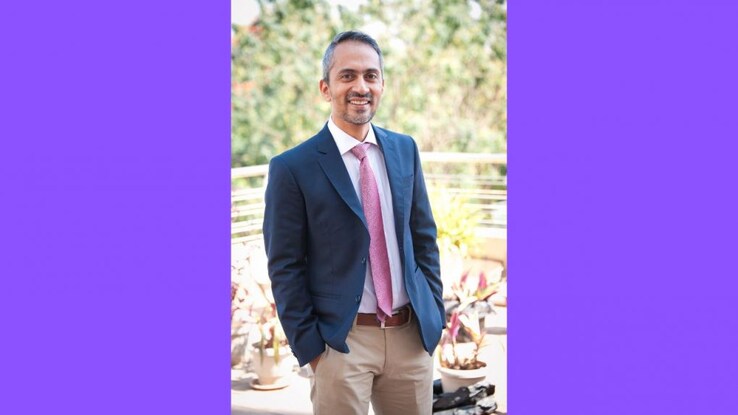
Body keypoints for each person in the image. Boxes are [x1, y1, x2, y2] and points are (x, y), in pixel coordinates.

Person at [263, 30, 444, 415]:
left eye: (370, 75)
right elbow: (285, 266)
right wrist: (312, 350)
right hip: (341, 344)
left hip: (410, 338)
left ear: (382, 85)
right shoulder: (292, 167)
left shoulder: (405, 149)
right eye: (347, 76)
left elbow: (424, 238)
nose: (361, 86)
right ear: (325, 88)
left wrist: (434, 313)